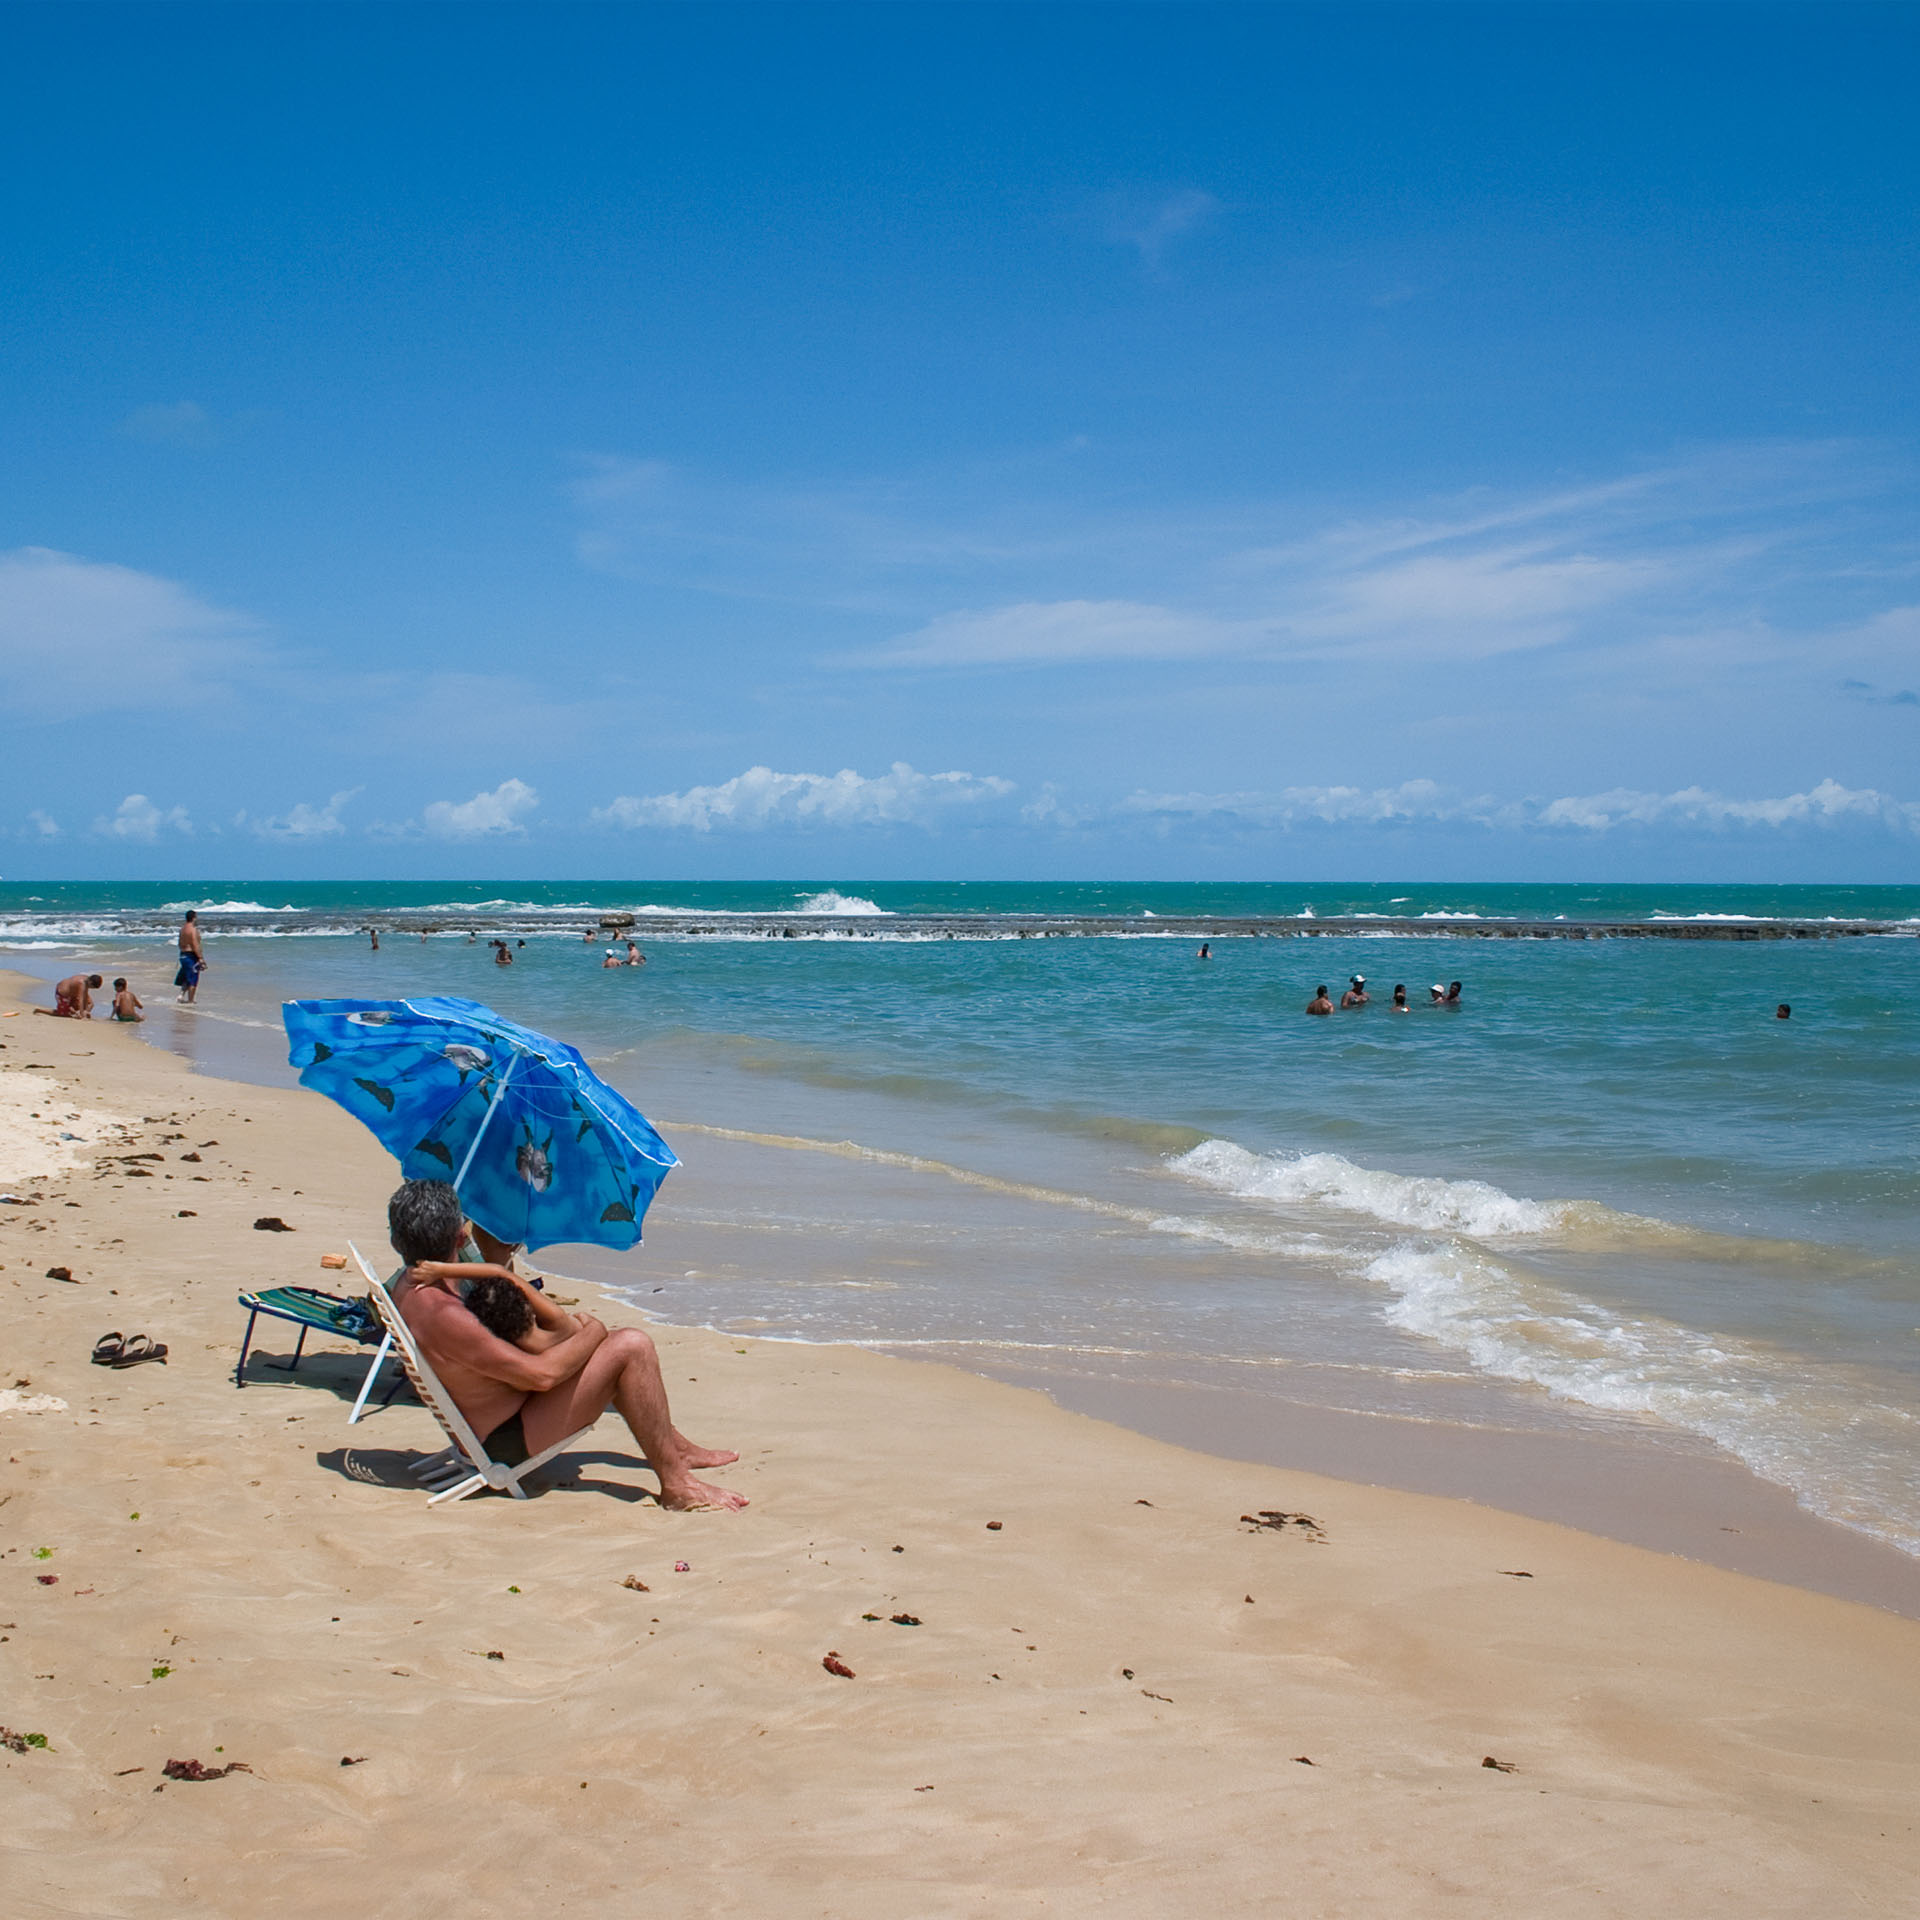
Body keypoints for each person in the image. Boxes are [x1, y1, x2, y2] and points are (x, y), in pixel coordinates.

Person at [387, 1179, 745, 1512]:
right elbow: (540, 1377)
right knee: (631, 1347)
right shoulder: (444, 1313)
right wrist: (594, 1332)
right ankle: (677, 1485)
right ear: (459, 1237)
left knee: (609, 1348)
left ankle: (674, 1447)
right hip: (505, 1440)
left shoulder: (412, 1286)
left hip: (503, 1414)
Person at [36, 973, 102, 1018]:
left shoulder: (87, 979)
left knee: (90, 1004)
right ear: (90, 983)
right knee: (62, 1014)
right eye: (92, 987)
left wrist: (85, 1011)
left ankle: (73, 1010)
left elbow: (85, 997)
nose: (91, 988)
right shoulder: (82, 983)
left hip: (73, 994)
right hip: (62, 993)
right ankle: (40, 1010)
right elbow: (81, 1000)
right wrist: (82, 1015)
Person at [176, 909, 205, 1004]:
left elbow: (179, 943)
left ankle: (181, 995)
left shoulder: (182, 929)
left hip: (183, 955)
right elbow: (195, 944)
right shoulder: (192, 930)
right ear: (194, 918)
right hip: (191, 955)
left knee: (186, 977)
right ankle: (191, 1000)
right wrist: (200, 958)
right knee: (193, 979)